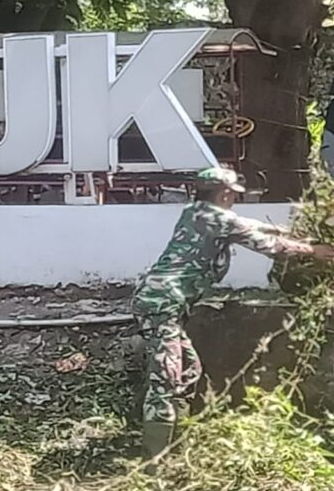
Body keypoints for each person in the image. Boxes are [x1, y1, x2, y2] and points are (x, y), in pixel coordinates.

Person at [132, 166, 334, 462]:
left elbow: (247, 224)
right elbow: (268, 245)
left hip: (166, 303)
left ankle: (177, 445)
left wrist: (289, 230)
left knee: (188, 370)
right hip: (161, 303)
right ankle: (154, 462)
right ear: (225, 193)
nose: (233, 201)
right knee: (168, 376)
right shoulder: (215, 218)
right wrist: (312, 250)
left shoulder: (197, 212)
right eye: (232, 196)